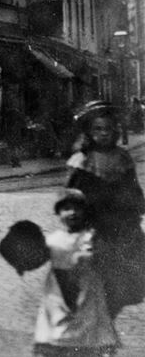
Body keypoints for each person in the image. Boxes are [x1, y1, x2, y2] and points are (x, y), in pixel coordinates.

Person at [66, 101, 145, 319]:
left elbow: (133, 187)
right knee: (96, 282)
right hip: (95, 229)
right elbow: (72, 196)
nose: (103, 134)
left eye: (108, 129)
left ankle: (107, 320)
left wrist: (137, 204)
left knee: (120, 284)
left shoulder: (122, 158)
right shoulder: (83, 161)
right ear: (89, 132)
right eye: (97, 129)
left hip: (123, 228)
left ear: (115, 131)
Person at [32, 189, 119, 356]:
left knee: (90, 341)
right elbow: (38, 257)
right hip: (58, 300)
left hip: (88, 298)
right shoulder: (53, 239)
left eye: (77, 208)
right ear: (58, 213)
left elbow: (107, 259)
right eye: (66, 209)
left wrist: (94, 253)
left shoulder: (91, 237)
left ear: (85, 211)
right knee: (57, 339)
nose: (72, 213)